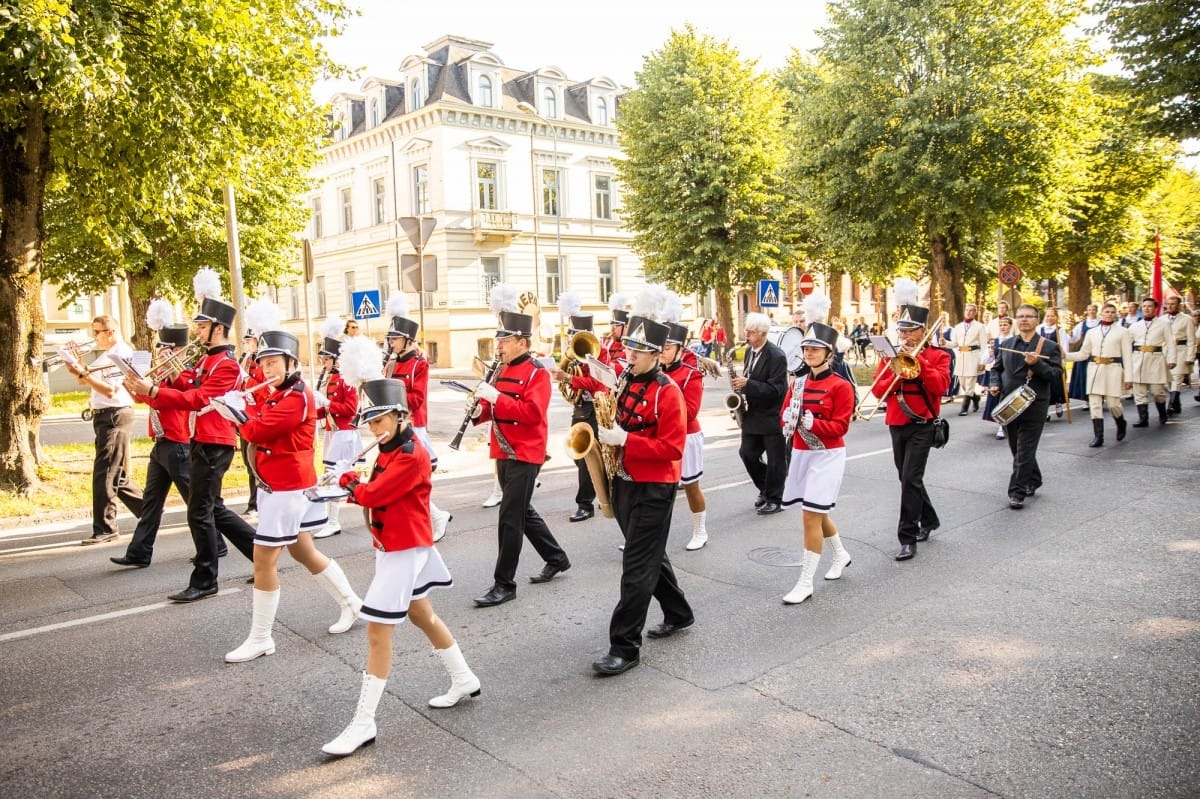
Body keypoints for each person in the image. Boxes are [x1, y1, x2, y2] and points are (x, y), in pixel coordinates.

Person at [322, 378, 480, 757]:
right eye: (371, 423)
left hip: (405, 549)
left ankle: (364, 722)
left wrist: (347, 480)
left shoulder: (411, 453)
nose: (374, 429)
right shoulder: (391, 446)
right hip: (395, 544)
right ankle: (463, 678)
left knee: (377, 633)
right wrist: (352, 475)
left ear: (400, 415)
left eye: (380, 421)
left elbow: (376, 493)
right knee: (423, 615)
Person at [215, 328, 363, 663]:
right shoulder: (278, 393)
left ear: (291, 362)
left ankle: (261, 637)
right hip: (280, 486)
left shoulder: (297, 396)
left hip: (288, 489)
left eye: (273, 362)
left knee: (263, 560)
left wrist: (237, 413)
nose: (266, 369)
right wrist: (244, 402)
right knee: (305, 551)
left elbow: (259, 430)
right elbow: (260, 418)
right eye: (263, 363)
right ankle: (352, 602)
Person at [124, 269, 256, 602]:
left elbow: (199, 399)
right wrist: (164, 376)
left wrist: (154, 386)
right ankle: (260, 552)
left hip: (216, 441)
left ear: (219, 329)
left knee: (199, 511)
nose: (196, 331)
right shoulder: (207, 360)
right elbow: (188, 386)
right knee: (213, 509)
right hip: (203, 441)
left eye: (202, 326)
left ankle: (205, 578)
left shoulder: (225, 364)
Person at [591, 313, 693, 676]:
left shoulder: (669, 392)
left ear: (655, 355)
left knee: (635, 565)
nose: (629, 355)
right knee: (647, 553)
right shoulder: (624, 381)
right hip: (624, 479)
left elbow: (672, 448)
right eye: (628, 348)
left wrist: (627, 440)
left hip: (655, 486)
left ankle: (625, 646)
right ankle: (679, 612)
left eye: (637, 350)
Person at [469, 285, 571, 607]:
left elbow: (531, 414)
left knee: (510, 517)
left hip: (526, 452)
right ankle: (556, 557)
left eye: (504, 341)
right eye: (498, 340)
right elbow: (494, 409)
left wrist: (496, 398)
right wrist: (479, 411)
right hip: (502, 449)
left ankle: (504, 584)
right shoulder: (500, 369)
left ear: (522, 342)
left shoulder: (537, 373)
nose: (498, 346)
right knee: (522, 511)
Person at [869, 279, 950, 561]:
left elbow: (940, 387)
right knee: (906, 477)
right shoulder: (891, 356)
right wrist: (896, 367)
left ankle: (908, 537)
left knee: (911, 479)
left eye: (910, 330)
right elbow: (878, 390)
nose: (905, 336)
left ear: (923, 331)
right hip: (896, 421)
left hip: (923, 424)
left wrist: (919, 363)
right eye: (902, 330)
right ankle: (929, 519)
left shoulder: (939, 356)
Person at [778, 319, 855, 604]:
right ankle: (841, 554)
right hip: (801, 454)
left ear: (828, 353)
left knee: (810, 515)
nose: (809, 353)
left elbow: (841, 428)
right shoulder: (797, 383)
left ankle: (805, 581)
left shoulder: (841, 386)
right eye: (806, 348)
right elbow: (786, 413)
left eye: (815, 349)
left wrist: (815, 425)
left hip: (827, 455)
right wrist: (786, 420)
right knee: (818, 513)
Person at [111, 315, 194, 568]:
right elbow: (144, 401)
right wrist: (130, 383)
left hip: (178, 442)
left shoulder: (186, 375)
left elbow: (164, 400)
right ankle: (139, 552)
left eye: (165, 349)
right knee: (151, 503)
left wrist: (147, 389)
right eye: (159, 349)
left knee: (197, 501)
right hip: (160, 442)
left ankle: (217, 543)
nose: (159, 354)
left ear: (178, 350)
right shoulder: (160, 375)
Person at [68, 315, 145, 545]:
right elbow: (84, 381)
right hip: (105, 416)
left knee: (105, 472)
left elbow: (110, 391)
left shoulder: (120, 354)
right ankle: (149, 511)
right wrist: (76, 364)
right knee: (116, 473)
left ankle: (106, 527)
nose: (94, 337)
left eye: (96, 332)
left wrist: (84, 373)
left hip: (115, 414)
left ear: (109, 331)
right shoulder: (106, 356)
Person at [385, 294, 453, 542]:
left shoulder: (419, 364)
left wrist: (392, 399)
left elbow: (417, 399)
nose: (391, 343)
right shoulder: (391, 364)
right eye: (390, 338)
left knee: (411, 478)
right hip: (395, 426)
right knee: (402, 479)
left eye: (395, 338)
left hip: (414, 425)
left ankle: (435, 516)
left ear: (407, 340)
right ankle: (425, 518)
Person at [988, 304, 1064, 509]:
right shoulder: (1008, 343)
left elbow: (1056, 375)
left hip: (1034, 403)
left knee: (1025, 449)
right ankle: (1034, 478)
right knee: (1016, 448)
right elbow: (996, 368)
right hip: (1009, 403)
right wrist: (994, 383)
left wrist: (1037, 364)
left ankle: (1017, 492)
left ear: (1036, 320)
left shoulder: (1048, 346)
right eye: (1020, 316)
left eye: (1028, 316)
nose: (1024, 320)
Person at [732, 313, 789, 515]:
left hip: (772, 415)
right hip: (753, 415)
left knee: (776, 461)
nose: (746, 334)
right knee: (747, 454)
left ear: (763, 334)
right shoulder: (749, 352)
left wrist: (749, 384)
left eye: (751, 332)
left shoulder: (777, 356)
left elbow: (776, 390)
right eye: (746, 330)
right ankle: (765, 489)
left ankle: (776, 499)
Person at [661, 317, 710, 550]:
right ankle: (650, 536)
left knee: (691, 486)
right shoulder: (655, 372)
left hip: (687, 436)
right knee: (658, 488)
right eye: (660, 347)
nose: (662, 352)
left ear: (680, 349)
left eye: (668, 348)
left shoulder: (692, 374)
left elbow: (690, 411)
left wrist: (659, 411)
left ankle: (700, 530)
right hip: (660, 435)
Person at [556, 292, 601, 523]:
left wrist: (569, 379)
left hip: (594, 410)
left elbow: (597, 383)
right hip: (580, 409)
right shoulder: (573, 357)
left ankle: (585, 504)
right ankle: (602, 489)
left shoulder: (598, 354)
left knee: (585, 458)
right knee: (578, 456)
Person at [1064, 303, 1132, 447]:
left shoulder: (1123, 332)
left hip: (1113, 369)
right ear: (1102, 313)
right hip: (1095, 370)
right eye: (1107, 312)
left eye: (1112, 312)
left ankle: (1121, 422)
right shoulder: (1092, 332)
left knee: (1114, 404)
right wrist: (1066, 355)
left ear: (1115, 314)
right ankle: (1098, 436)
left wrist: (1129, 378)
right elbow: (1084, 353)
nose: (1110, 314)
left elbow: (1127, 356)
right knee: (1095, 404)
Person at [312, 334, 359, 538]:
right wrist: (310, 413)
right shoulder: (333, 379)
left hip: (345, 434)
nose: (325, 363)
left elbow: (350, 409)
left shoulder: (346, 380)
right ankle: (330, 519)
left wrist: (327, 403)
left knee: (334, 476)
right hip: (334, 433)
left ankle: (332, 522)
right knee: (336, 476)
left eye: (328, 359)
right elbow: (327, 410)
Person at [1127, 296, 1177, 427]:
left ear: (1155, 308)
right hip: (1138, 360)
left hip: (1156, 360)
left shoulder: (1164, 325)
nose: (1146, 308)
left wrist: (1171, 359)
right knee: (1139, 392)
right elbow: (1126, 345)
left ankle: (1162, 413)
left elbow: (1171, 343)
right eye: (1144, 306)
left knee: (1157, 392)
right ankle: (1143, 419)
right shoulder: (1134, 326)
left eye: (1149, 306)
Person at [237, 329, 263, 519]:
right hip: (244, 416)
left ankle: (257, 503)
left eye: (250, 339)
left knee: (258, 462)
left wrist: (247, 378)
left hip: (258, 417)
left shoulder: (263, 361)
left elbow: (265, 387)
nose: (247, 343)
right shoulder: (245, 359)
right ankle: (254, 501)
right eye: (246, 340)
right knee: (248, 463)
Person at [950, 304, 988, 415]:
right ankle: (975, 398)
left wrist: (982, 361)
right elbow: (954, 343)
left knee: (970, 383)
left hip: (973, 356)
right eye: (967, 310)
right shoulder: (958, 326)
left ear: (975, 313)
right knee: (963, 384)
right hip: (961, 357)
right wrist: (944, 343)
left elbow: (984, 345)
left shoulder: (980, 327)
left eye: (971, 311)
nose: (969, 312)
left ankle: (964, 408)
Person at [980, 316, 1013, 439]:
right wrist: (990, 354)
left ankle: (1005, 425)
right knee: (998, 399)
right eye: (1001, 325)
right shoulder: (994, 341)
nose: (1003, 327)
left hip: (1010, 373)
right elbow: (985, 360)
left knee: (1008, 399)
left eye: (1005, 325)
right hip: (998, 373)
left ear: (1010, 326)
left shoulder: (1014, 340)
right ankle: (1001, 424)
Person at [1163, 296, 1195, 414]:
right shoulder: (1162, 319)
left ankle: (1171, 405)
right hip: (1166, 351)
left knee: (1177, 378)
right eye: (1168, 304)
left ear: (1179, 305)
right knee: (1169, 380)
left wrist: (1190, 356)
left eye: (1173, 304)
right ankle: (1177, 404)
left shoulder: (1186, 319)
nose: (1170, 306)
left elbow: (1191, 340)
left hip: (1181, 350)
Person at [1036, 308, 1068, 418]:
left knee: (1056, 384)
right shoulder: (1039, 329)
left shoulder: (1060, 330)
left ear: (1056, 317)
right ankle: (1046, 410)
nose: (1050, 318)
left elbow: (1064, 346)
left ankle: (1058, 403)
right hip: (1042, 360)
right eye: (1048, 316)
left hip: (1054, 360)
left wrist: (1062, 359)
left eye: (1052, 316)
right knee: (1044, 386)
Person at [1067, 304, 1100, 404]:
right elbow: (1074, 338)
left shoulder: (1101, 323)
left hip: (1097, 352)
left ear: (1096, 311)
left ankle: (1098, 398)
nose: (1091, 312)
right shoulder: (1082, 324)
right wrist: (1070, 335)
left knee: (1097, 376)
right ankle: (1086, 400)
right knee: (1085, 376)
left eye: (1093, 310)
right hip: (1085, 353)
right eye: (1089, 310)